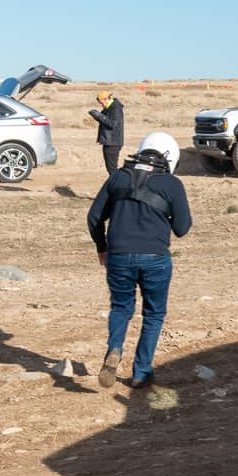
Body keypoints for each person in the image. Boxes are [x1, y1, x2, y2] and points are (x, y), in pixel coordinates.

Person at [87, 132, 192, 389]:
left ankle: (114, 349)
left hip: (118, 256)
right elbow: (182, 227)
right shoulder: (172, 183)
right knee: (154, 314)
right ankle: (141, 372)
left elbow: (93, 217)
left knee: (121, 308)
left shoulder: (117, 177)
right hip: (155, 258)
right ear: (169, 157)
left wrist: (102, 248)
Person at [88, 90, 125, 175]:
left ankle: (116, 186)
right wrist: (96, 115)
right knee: (111, 169)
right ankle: (115, 185)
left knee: (112, 170)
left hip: (113, 142)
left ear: (106, 99)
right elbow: (104, 120)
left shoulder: (115, 108)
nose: (101, 105)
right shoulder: (109, 108)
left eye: (101, 103)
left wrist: (99, 115)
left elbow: (113, 124)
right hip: (109, 142)